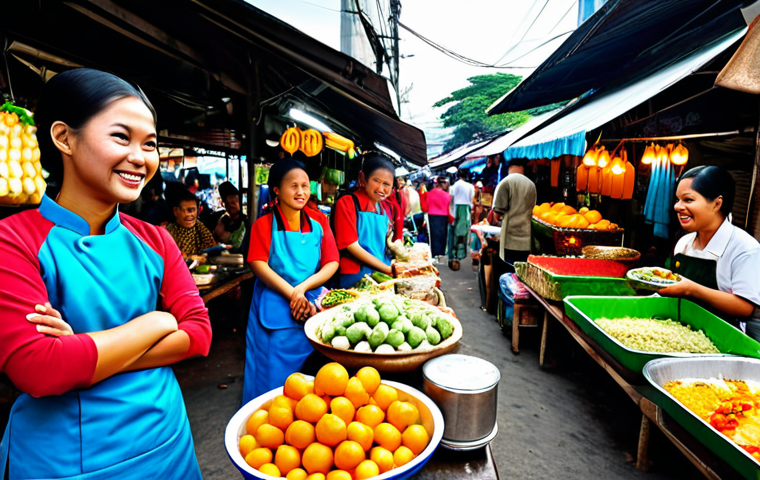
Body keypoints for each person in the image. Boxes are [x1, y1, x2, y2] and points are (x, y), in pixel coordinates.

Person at [0, 68, 211, 479]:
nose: (141, 157)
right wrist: (158, 321)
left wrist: (80, 352)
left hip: (167, 441)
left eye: (149, 143)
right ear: (64, 138)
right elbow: (39, 370)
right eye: (121, 137)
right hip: (68, 460)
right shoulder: (14, 240)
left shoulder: (155, 239)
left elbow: (200, 334)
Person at [244, 159, 339, 401]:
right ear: (276, 189)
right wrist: (293, 294)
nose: (301, 192)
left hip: (312, 303)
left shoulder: (319, 222)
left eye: (305, 186)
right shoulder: (262, 224)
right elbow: (257, 264)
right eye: (293, 186)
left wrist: (303, 288)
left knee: (311, 381)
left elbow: (332, 262)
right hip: (274, 304)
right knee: (270, 378)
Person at [659, 166, 760, 340]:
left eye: (688, 200)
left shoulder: (744, 248)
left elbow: (745, 307)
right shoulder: (684, 243)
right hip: (677, 334)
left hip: (723, 342)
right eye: (677, 200)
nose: (677, 206)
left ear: (716, 203)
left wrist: (691, 289)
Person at [333, 153, 396, 288]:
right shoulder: (348, 202)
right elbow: (351, 245)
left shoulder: (384, 208)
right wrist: (388, 270)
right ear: (363, 178)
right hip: (354, 276)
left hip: (381, 274)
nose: (381, 189)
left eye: (386, 184)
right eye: (376, 181)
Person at [492, 158, 537, 267]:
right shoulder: (531, 185)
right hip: (527, 239)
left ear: (510, 168)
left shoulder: (505, 182)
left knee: (510, 272)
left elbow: (498, 210)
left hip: (510, 239)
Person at [165, 188, 217, 259]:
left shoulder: (201, 230)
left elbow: (213, 254)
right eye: (187, 210)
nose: (190, 215)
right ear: (176, 211)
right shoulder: (167, 233)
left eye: (193, 210)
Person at [448, 169, 475, 270]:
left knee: (454, 234)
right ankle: (461, 253)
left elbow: (451, 199)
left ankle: (454, 253)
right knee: (463, 234)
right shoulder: (470, 186)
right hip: (466, 210)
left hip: (456, 209)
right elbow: (472, 198)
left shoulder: (454, 186)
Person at [211, 181, 247, 250]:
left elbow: (237, 245)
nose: (231, 205)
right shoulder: (223, 220)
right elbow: (215, 238)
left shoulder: (245, 222)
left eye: (233, 202)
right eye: (228, 203)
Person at [426, 177, 451, 258]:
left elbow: (426, 206)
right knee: (442, 235)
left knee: (434, 235)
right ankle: (441, 253)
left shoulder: (430, 193)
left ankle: (434, 253)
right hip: (444, 216)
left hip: (432, 215)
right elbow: (449, 207)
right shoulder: (447, 195)